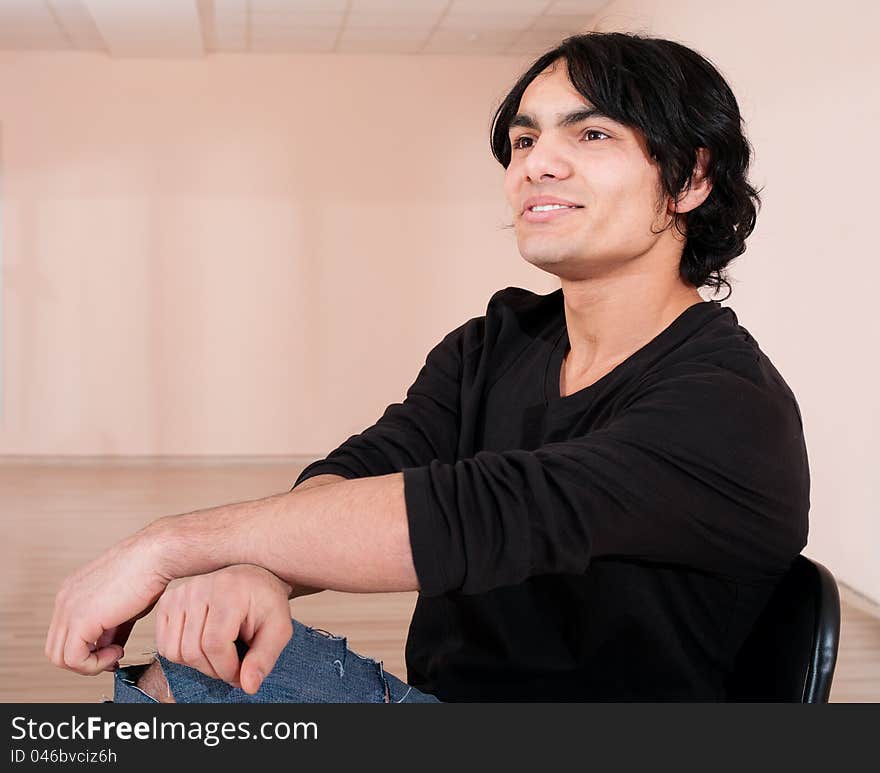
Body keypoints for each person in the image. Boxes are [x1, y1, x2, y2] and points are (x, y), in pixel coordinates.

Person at [46, 31, 809, 703]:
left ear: (689, 179)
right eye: (523, 141)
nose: (538, 162)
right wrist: (264, 572)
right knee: (198, 667)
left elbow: (467, 515)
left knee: (182, 688)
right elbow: (372, 465)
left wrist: (166, 545)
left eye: (592, 135)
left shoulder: (726, 403)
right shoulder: (495, 342)